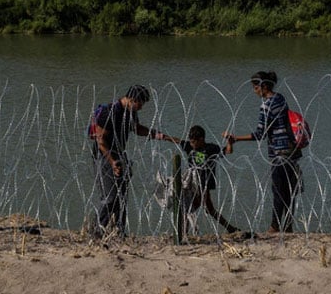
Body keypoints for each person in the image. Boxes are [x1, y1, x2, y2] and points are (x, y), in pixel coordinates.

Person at [224, 71, 303, 233]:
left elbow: (260, 134)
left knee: (278, 190)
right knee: (288, 190)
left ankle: (274, 226)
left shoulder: (266, 105)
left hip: (279, 152)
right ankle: (288, 226)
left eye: (255, 87)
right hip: (291, 149)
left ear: (264, 86)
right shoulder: (280, 98)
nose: (254, 91)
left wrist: (236, 138)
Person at [92, 85, 171, 238]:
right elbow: (100, 141)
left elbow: (136, 128)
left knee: (121, 196)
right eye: (140, 104)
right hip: (104, 157)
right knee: (109, 197)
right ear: (132, 99)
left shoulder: (130, 112)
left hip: (120, 155)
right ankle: (97, 232)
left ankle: (118, 231)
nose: (141, 108)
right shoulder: (110, 112)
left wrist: (157, 135)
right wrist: (113, 162)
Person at [165, 125, 241, 235]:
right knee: (205, 208)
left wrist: (229, 142)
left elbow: (228, 151)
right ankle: (230, 228)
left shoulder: (211, 149)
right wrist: (163, 136)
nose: (192, 145)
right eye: (190, 142)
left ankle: (182, 234)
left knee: (190, 208)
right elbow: (177, 140)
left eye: (194, 142)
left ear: (201, 140)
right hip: (192, 183)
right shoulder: (189, 147)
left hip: (204, 183)